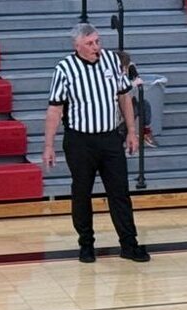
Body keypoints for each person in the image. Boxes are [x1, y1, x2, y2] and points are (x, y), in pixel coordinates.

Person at [42, 23, 146, 263]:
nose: (96, 47)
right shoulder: (64, 69)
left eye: (98, 41)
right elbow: (55, 110)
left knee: (120, 192)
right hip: (80, 141)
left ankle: (129, 245)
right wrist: (48, 145)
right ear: (77, 45)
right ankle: (86, 245)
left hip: (110, 138)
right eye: (90, 43)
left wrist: (131, 131)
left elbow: (125, 97)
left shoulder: (111, 60)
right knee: (81, 193)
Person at [116, 51, 164, 148]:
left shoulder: (127, 71)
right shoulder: (109, 75)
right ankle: (121, 137)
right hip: (115, 108)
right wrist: (132, 84)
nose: (124, 70)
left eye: (125, 67)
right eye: (122, 67)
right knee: (132, 110)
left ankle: (146, 132)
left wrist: (132, 69)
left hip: (128, 103)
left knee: (144, 105)